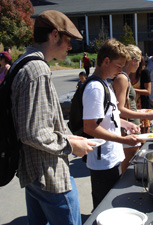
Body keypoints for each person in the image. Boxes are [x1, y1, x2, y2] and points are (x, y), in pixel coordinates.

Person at [10, 10, 95, 225]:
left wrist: (72, 138)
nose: (70, 46)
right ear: (54, 35)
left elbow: (37, 123)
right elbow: (34, 133)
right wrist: (71, 146)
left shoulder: (24, 62)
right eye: (67, 40)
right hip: (50, 175)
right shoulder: (37, 70)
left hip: (34, 172)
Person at [82, 39, 141, 210]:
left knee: (112, 206)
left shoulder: (105, 84)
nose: (121, 70)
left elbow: (109, 117)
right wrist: (123, 140)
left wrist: (126, 125)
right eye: (119, 66)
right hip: (103, 162)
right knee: (104, 209)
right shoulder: (95, 88)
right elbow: (90, 127)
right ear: (106, 61)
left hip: (111, 158)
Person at [112, 44, 153, 173]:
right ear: (133, 60)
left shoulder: (125, 77)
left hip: (131, 127)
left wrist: (140, 112)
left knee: (132, 165)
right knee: (128, 169)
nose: (140, 64)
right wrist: (144, 116)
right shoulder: (122, 78)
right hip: (128, 129)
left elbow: (127, 104)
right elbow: (119, 108)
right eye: (139, 60)